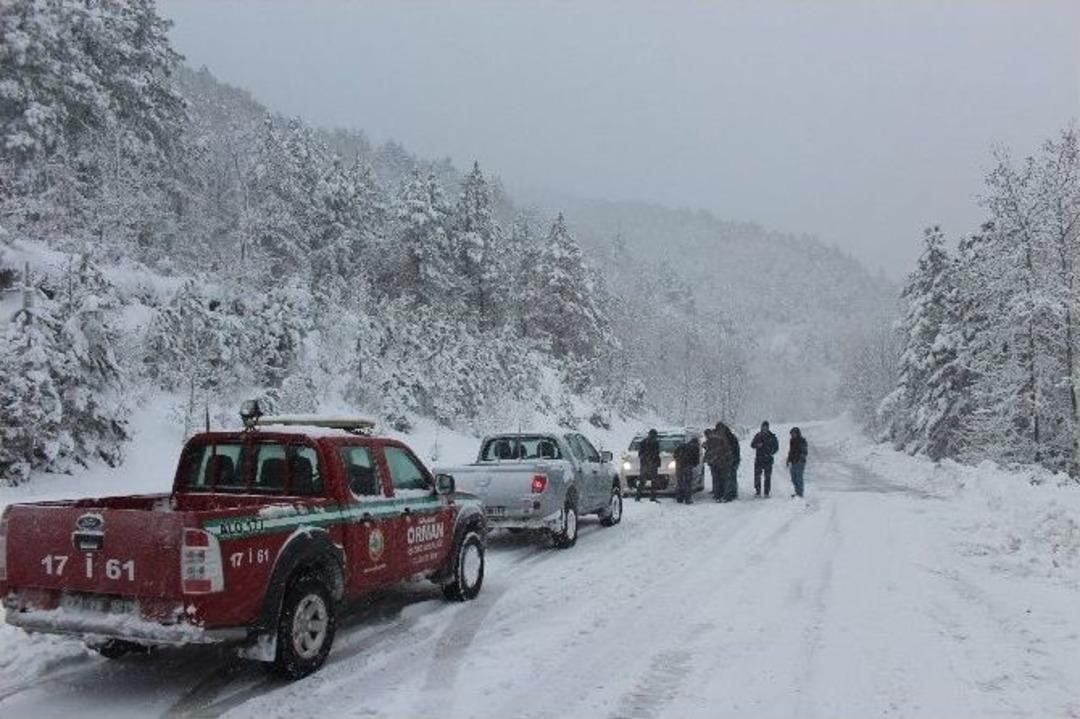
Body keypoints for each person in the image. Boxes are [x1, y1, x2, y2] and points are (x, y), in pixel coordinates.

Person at [750, 421, 779, 497]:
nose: (764, 428)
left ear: (768, 427)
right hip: (759, 459)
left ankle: (766, 492)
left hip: (768, 460)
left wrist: (770, 452)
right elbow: (752, 445)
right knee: (757, 476)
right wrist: (757, 445)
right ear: (761, 427)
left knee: (767, 477)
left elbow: (776, 447)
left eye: (766, 427)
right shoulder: (758, 435)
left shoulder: (772, 436)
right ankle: (758, 492)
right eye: (763, 427)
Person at [703, 427, 731, 502]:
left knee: (716, 480)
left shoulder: (711, 440)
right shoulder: (721, 439)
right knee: (723, 480)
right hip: (722, 463)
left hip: (716, 463)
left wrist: (707, 459)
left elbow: (708, 451)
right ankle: (724, 495)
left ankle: (718, 496)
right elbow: (727, 450)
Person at [717, 421, 740, 501]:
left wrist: (734, 458)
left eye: (720, 429)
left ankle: (729, 495)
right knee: (729, 477)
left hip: (731, 460)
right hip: (724, 461)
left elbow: (735, 449)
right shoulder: (722, 437)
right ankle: (730, 493)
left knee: (729, 477)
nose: (719, 431)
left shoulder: (730, 437)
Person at [636, 428, 661, 502]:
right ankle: (649, 497)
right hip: (649, 464)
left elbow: (641, 454)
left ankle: (639, 496)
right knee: (649, 481)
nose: (655, 437)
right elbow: (641, 454)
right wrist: (650, 459)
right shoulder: (648, 443)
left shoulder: (646, 442)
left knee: (645, 481)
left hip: (648, 464)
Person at [675, 435, 700, 504]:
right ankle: (687, 499)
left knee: (680, 482)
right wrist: (694, 464)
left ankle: (679, 497)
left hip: (679, 466)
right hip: (688, 466)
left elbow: (675, 455)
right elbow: (696, 459)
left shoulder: (683, 446)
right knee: (688, 483)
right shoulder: (695, 447)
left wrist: (679, 461)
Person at [786, 427, 809, 498]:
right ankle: (797, 492)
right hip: (793, 461)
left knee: (799, 478)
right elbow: (791, 451)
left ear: (797, 433)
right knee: (793, 478)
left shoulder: (802, 440)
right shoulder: (792, 440)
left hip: (799, 462)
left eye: (794, 433)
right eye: (791, 434)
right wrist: (788, 460)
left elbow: (804, 451)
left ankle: (800, 493)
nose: (792, 435)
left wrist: (801, 458)